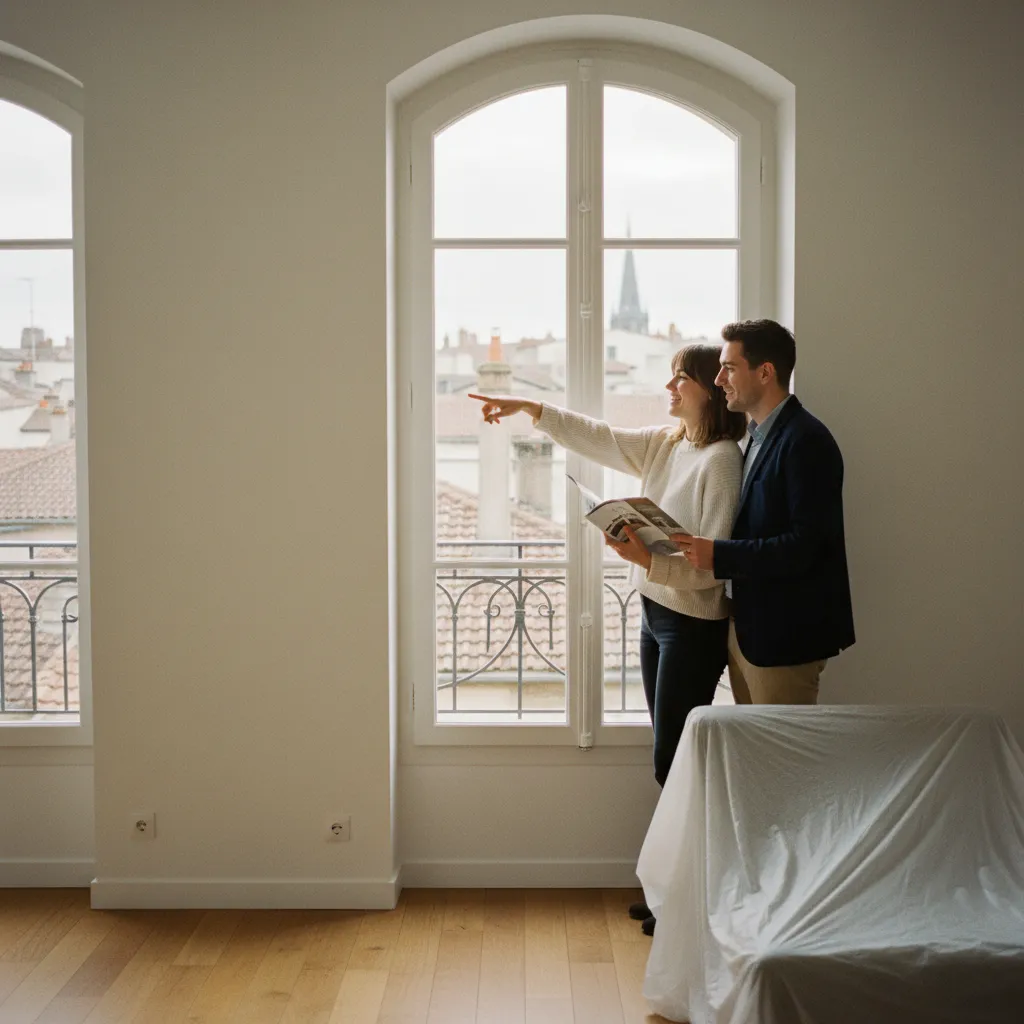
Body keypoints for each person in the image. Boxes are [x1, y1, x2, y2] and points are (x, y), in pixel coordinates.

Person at [471, 343, 745, 936]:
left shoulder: (722, 460)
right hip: (655, 611)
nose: (670, 388)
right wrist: (532, 409)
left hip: (692, 622)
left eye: (680, 380)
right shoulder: (670, 444)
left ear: (707, 388)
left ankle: (685, 898)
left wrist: (648, 558)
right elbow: (600, 437)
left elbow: (715, 567)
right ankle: (669, 888)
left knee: (676, 761)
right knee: (665, 757)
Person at [674, 320, 855, 705]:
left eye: (730, 367)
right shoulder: (757, 438)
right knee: (759, 760)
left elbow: (804, 546)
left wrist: (719, 554)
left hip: (786, 640)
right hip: (750, 636)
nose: (719, 379)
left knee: (784, 763)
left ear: (766, 372)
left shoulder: (806, 441)